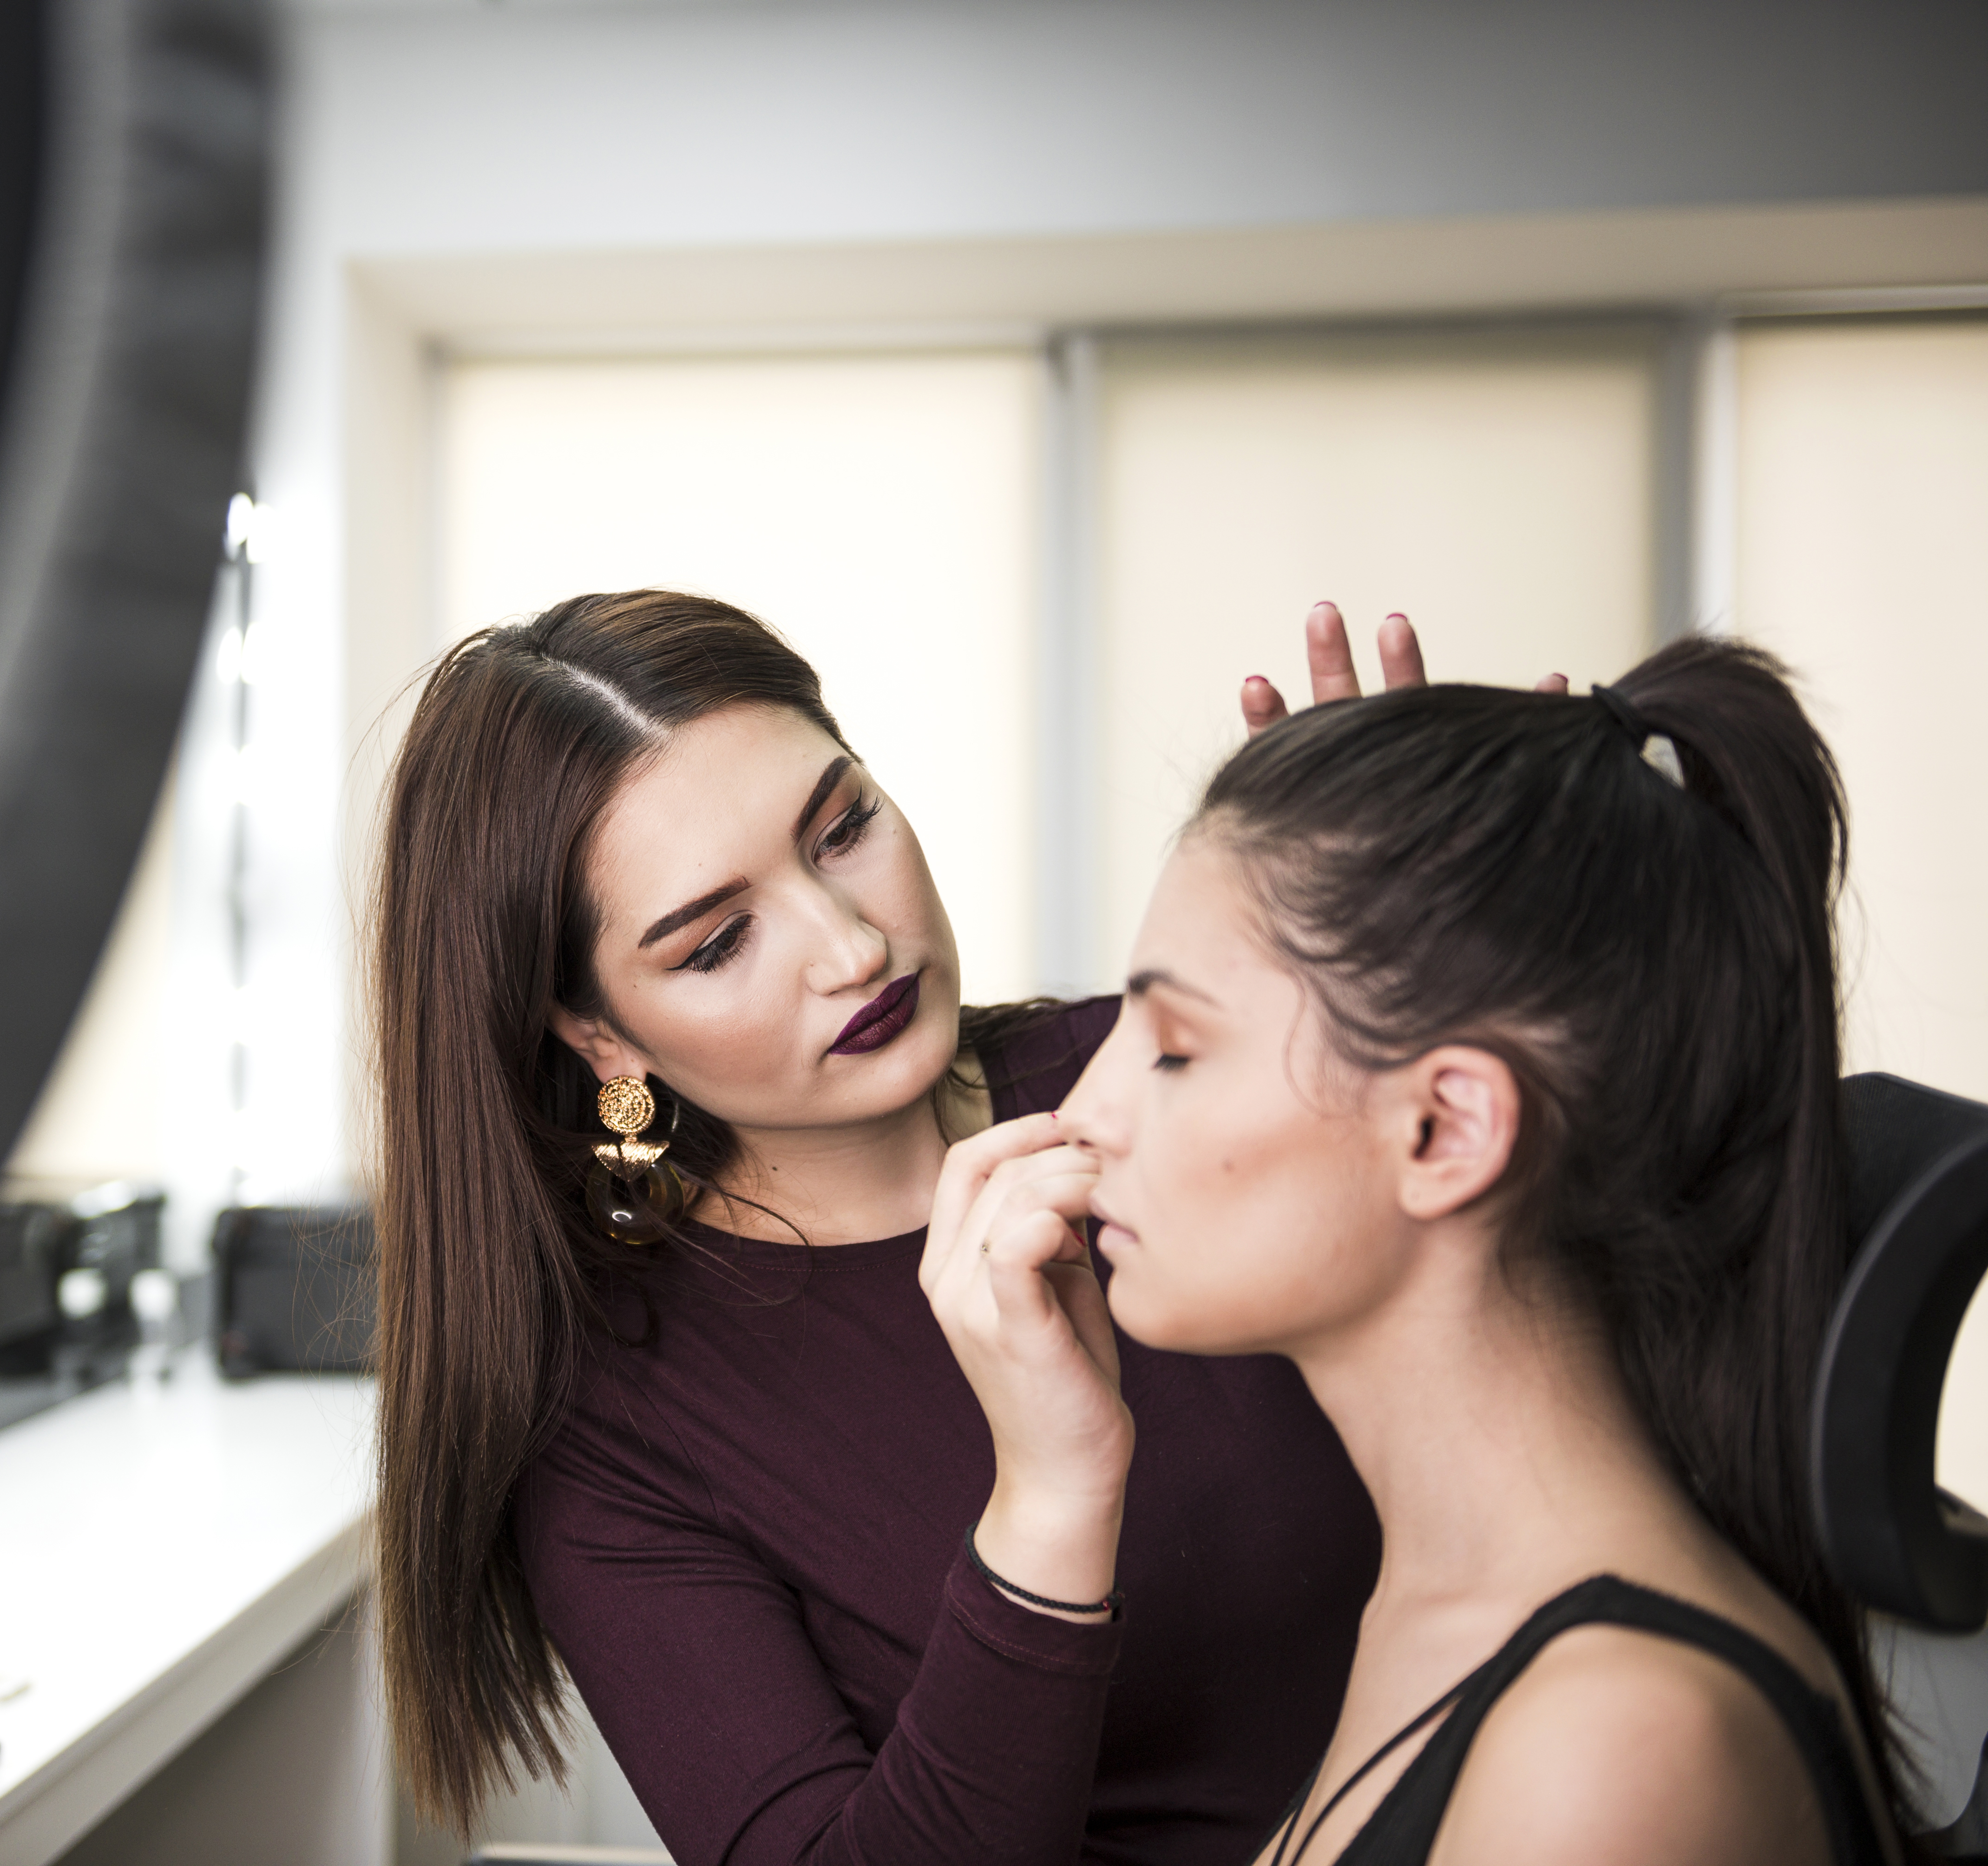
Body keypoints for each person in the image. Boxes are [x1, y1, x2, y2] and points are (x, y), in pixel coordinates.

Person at [371, 589, 1411, 1865]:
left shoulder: (1165, 1067)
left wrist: (1426, 991)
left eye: (845, 828)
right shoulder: (616, 1421)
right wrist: (1049, 1500)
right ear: (601, 1036)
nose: (852, 944)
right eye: (717, 943)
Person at [929, 636, 1907, 1864]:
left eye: (1176, 1045)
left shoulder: (1610, 1749)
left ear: (1446, 1130)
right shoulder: (1432, 1604)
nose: (1081, 1113)